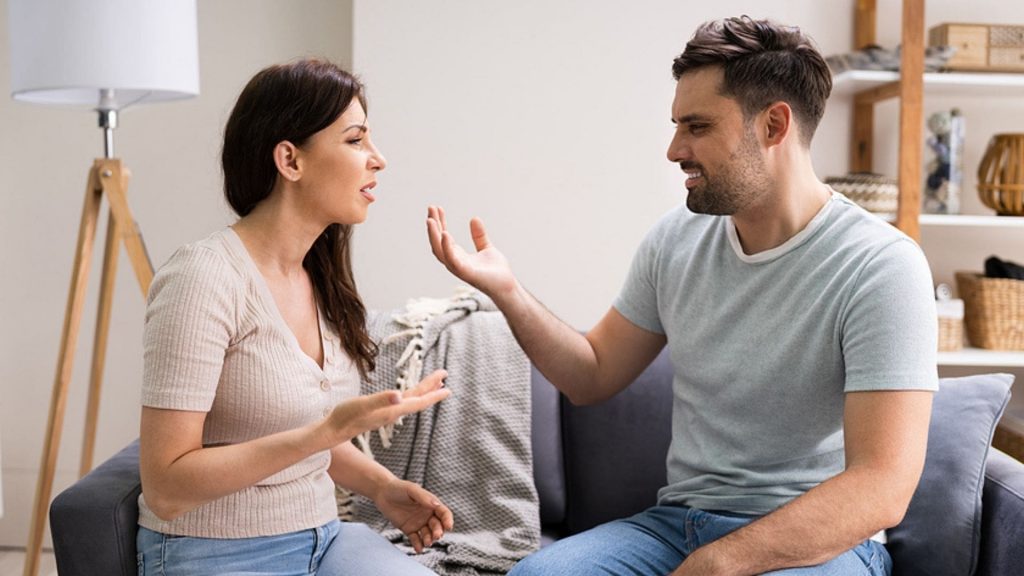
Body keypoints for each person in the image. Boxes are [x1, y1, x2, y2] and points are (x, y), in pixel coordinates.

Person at [427, 16, 937, 576]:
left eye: (697, 127)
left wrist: (720, 562)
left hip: (818, 544)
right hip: (678, 527)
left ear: (773, 125)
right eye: (677, 126)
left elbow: (882, 484)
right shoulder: (676, 240)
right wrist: (507, 290)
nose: (674, 150)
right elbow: (591, 375)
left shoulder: (880, 266)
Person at [137, 58, 453, 575]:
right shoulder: (203, 278)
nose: (378, 160)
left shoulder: (320, 277)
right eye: (356, 140)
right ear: (290, 160)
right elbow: (166, 487)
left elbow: (298, 430)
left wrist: (382, 488)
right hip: (218, 551)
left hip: (325, 539)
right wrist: (328, 430)